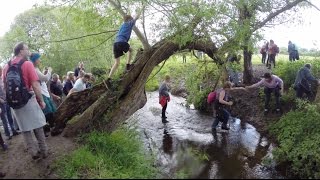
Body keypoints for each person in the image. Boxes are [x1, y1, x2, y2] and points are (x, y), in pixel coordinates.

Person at [3, 42, 48, 159]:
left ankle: (33, 153)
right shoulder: (27, 64)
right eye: (27, 49)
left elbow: (5, 86)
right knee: (37, 126)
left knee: (25, 129)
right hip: (28, 100)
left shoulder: (6, 67)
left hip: (15, 104)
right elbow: (36, 85)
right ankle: (43, 151)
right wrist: (41, 100)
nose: (29, 51)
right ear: (21, 51)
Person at [106, 9, 142, 86]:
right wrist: (141, 9)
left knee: (117, 62)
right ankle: (128, 65)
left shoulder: (122, 25)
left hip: (115, 43)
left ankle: (109, 78)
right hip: (122, 42)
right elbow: (136, 17)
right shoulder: (129, 23)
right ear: (129, 20)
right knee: (130, 50)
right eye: (131, 19)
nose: (132, 21)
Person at [30, 53, 57, 137]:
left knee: (50, 110)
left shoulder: (36, 69)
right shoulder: (34, 69)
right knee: (47, 112)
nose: (40, 60)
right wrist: (49, 71)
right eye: (38, 59)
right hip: (41, 93)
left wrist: (44, 73)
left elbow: (41, 80)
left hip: (44, 92)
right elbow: (45, 78)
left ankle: (50, 128)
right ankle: (49, 129)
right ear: (34, 60)